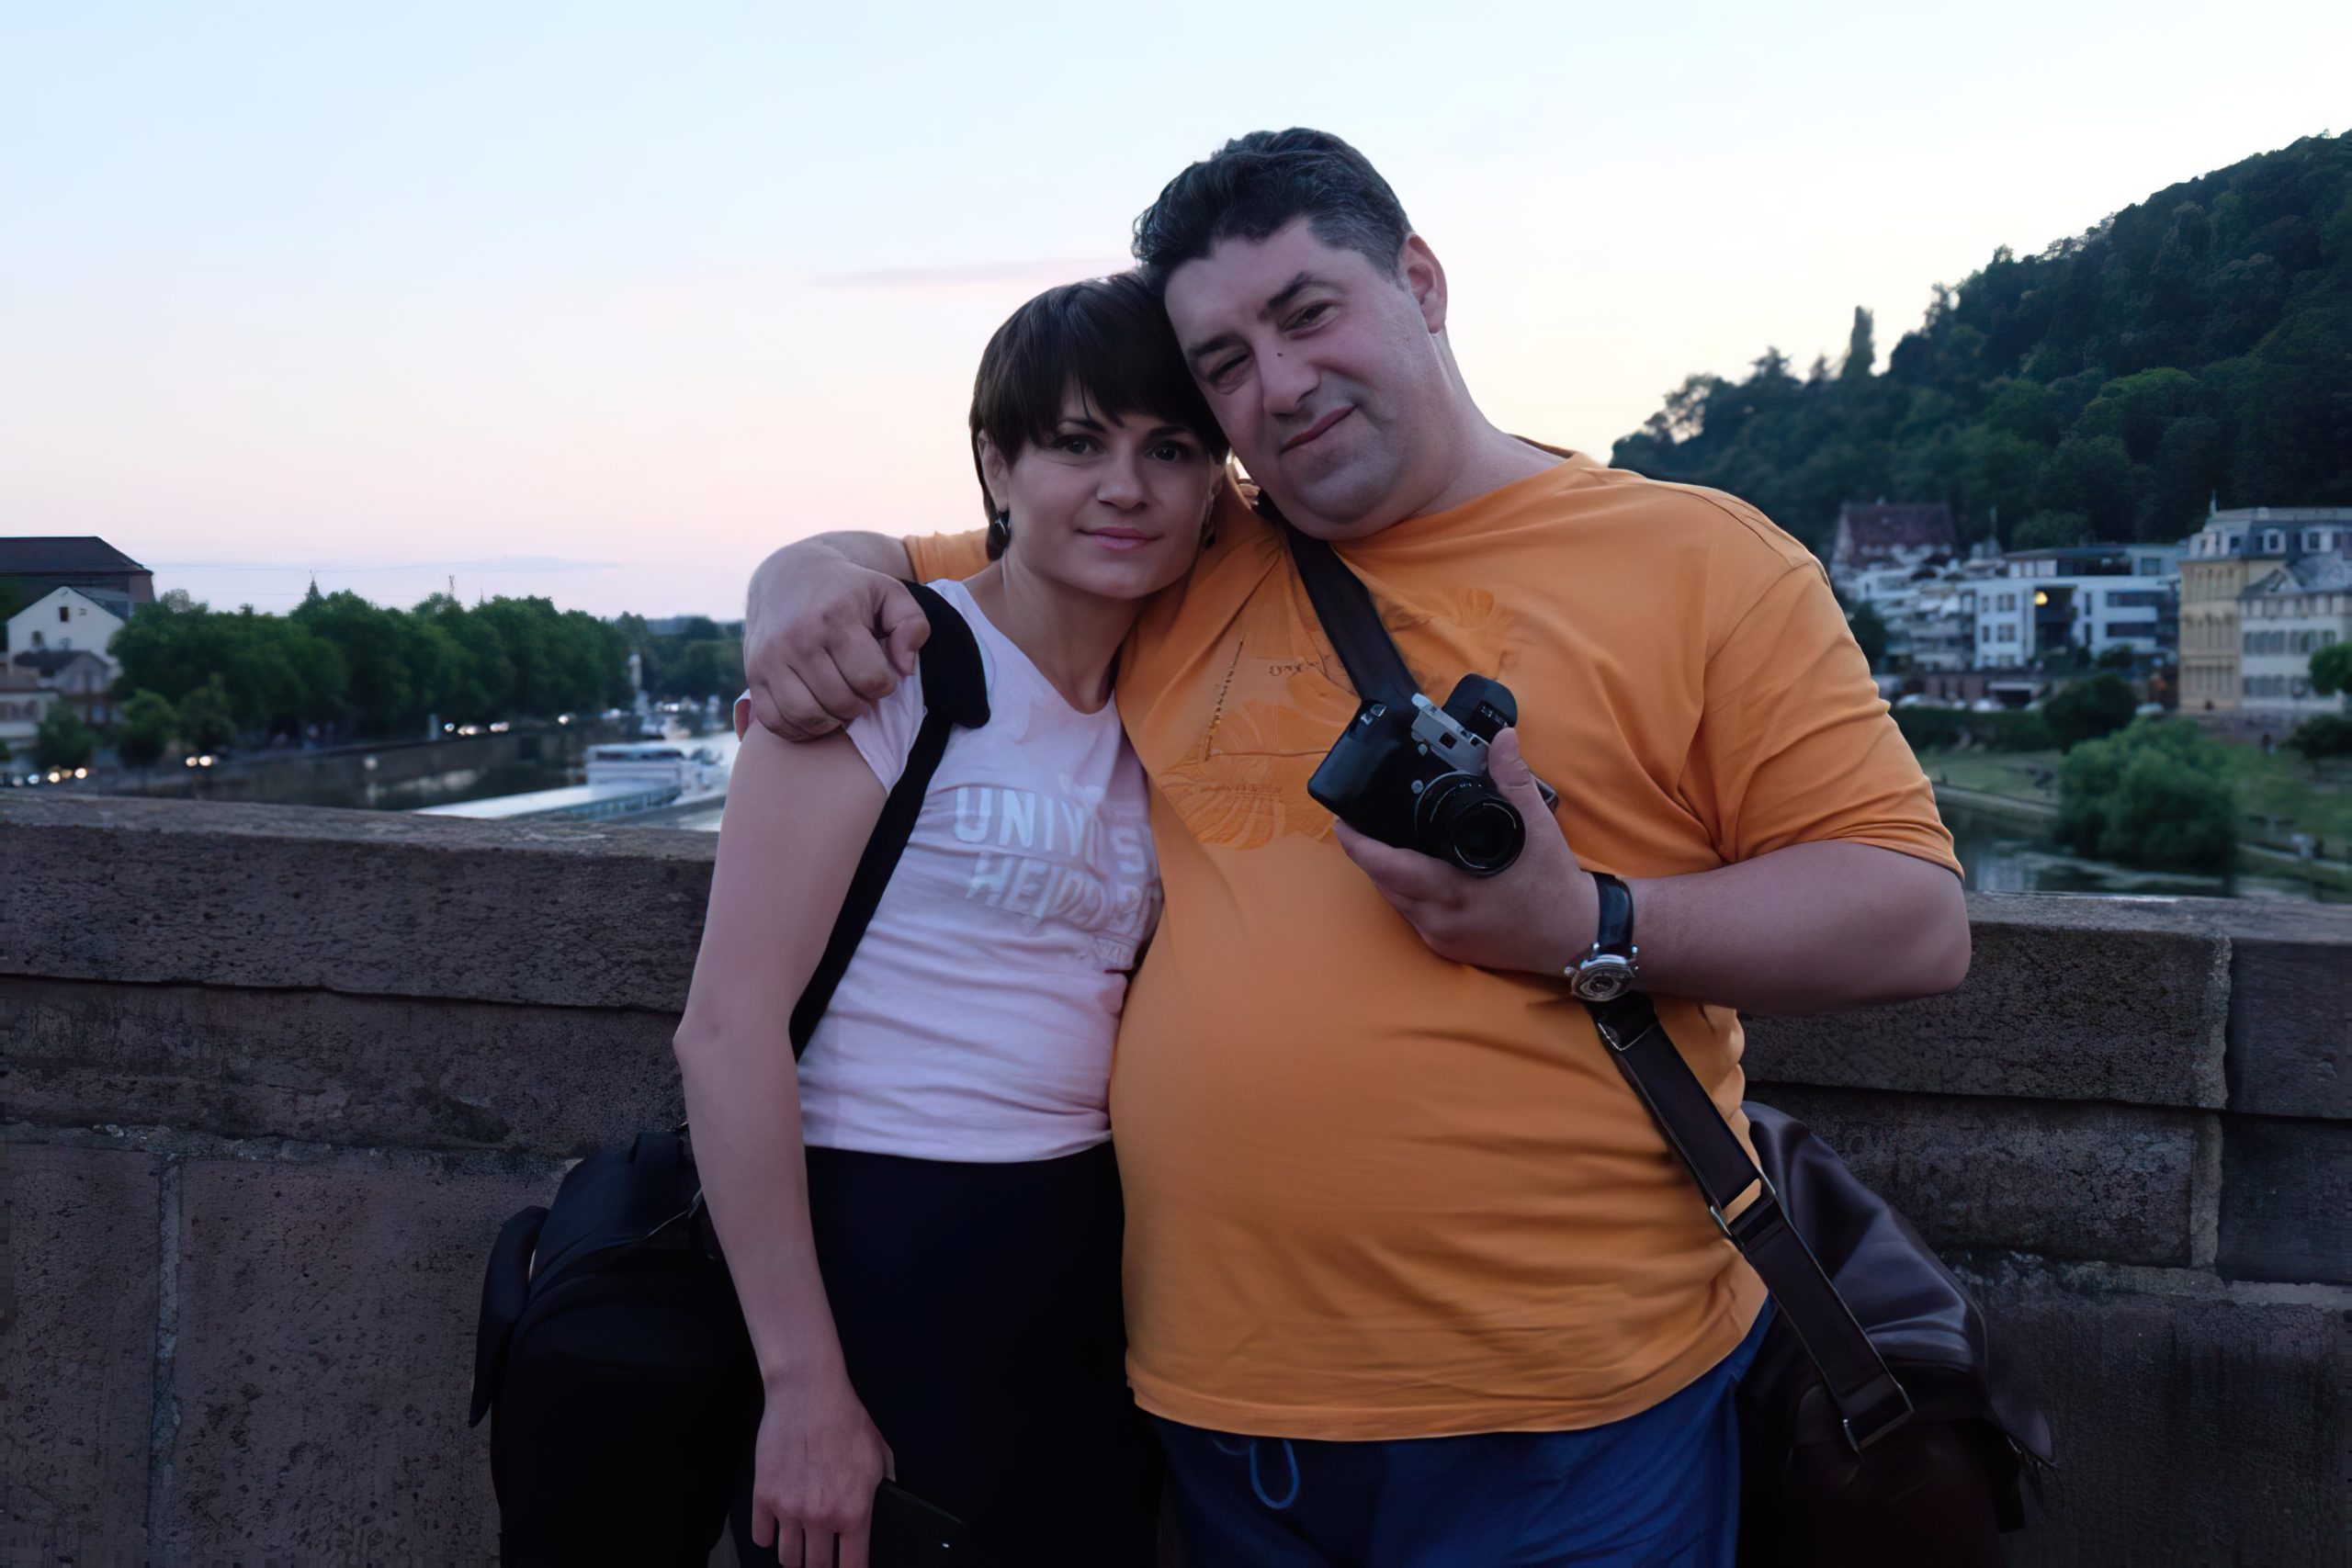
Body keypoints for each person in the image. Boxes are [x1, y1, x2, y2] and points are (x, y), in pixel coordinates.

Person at [741, 130, 1972, 1565]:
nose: (1279, 386)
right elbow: (935, 557)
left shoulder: (1708, 563)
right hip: (1216, 1411)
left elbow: (1912, 918)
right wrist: (796, 577)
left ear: (1422, 281)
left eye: (1306, 312)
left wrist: (1591, 920)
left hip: (1568, 1418)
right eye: (1223, 364)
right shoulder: (1188, 549)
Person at [672, 271, 1227, 1568]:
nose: (1126, 487)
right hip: (882, 1244)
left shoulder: (1157, 710)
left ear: (1215, 489)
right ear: (998, 462)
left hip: (1083, 1260)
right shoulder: (886, 662)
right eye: (1078, 444)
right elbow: (726, 1027)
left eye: (1170, 450)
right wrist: (804, 1383)